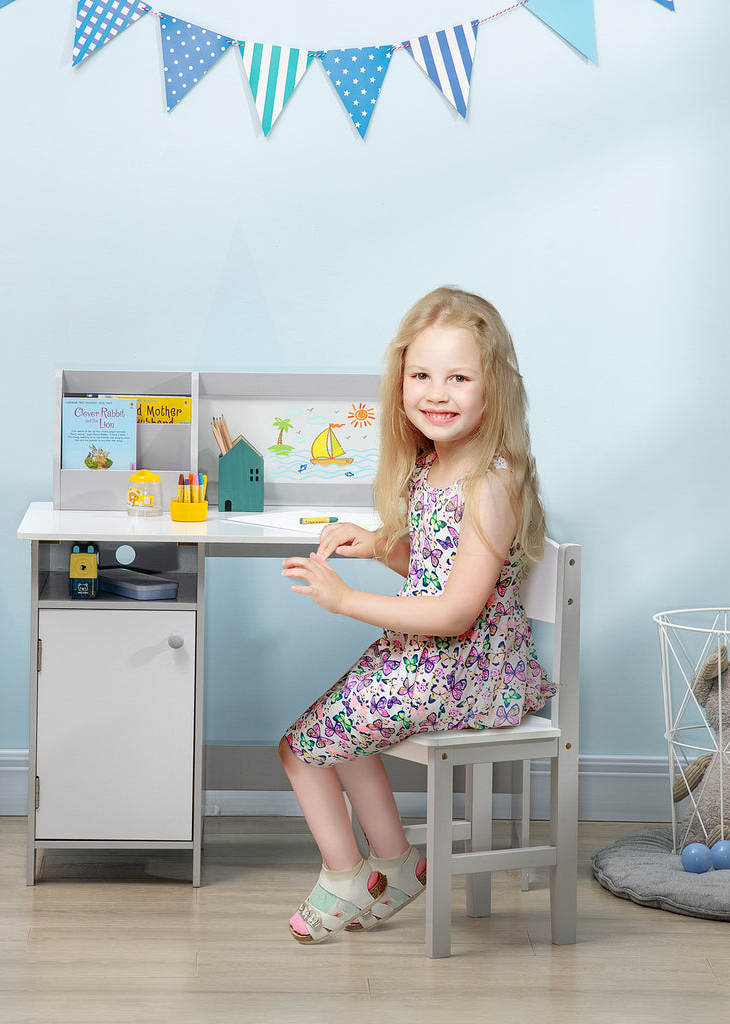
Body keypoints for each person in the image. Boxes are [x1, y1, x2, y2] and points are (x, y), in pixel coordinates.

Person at [279, 286, 553, 944]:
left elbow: (458, 611)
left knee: (302, 750)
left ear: (494, 388)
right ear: (400, 383)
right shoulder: (431, 467)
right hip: (432, 657)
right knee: (327, 736)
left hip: (469, 669)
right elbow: (436, 568)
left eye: (459, 377)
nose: (438, 392)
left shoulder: (491, 482)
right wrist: (377, 544)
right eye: (422, 376)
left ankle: (349, 874)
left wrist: (344, 599)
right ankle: (397, 864)